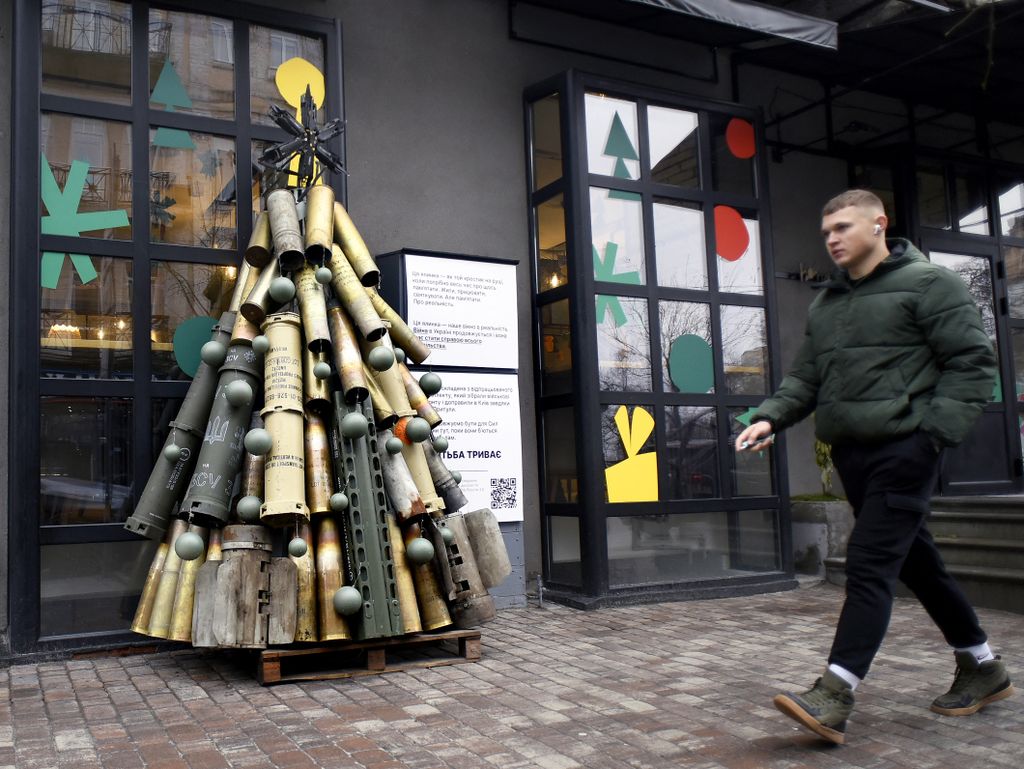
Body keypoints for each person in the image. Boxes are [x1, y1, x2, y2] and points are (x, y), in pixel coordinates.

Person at [736, 189, 1014, 745]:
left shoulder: (930, 284)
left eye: (842, 227)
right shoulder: (828, 303)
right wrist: (770, 416)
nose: (833, 238)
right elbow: (806, 380)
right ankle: (982, 666)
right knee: (918, 565)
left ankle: (835, 691)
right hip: (854, 456)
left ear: (879, 224)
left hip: (904, 452)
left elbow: (972, 363)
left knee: (867, 566)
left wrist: (930, 438)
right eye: (826, 232)